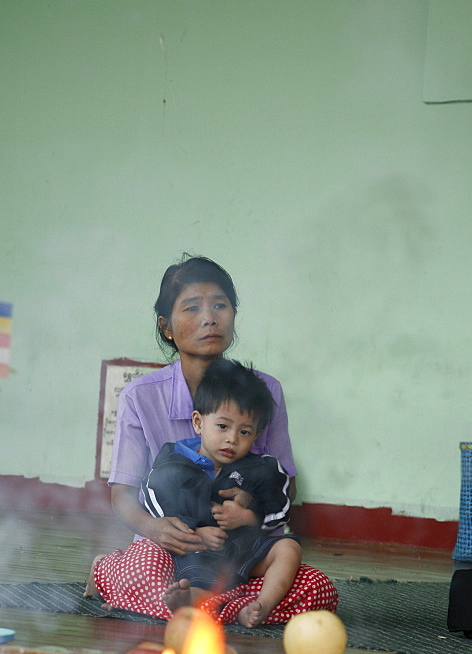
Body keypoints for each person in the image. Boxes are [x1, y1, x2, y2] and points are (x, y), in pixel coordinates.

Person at [87, 254, 337, 625]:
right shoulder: (140, 397)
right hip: (170, 551)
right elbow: (122, 496)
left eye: (220, 305)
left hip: (242, 552)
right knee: (143, 570)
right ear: (166, 326)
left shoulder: (265, 390)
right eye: (192, 307)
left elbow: (286, 485)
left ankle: (204, 607)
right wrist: (157, 529)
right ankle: (115, 574)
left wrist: (248, 508)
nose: (210, 318)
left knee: (315, 589)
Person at [141, 359, 302, 627]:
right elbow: (153, 500)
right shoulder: (175, 463)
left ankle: (260, 605)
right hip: (195, 556)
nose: (232, 439)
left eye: (245, 431)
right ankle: (190, 602)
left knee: (290, 548)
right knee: (177, 575)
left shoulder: (261, 468)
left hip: (245, 556)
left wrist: (249, 518)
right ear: (198, 422)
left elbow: (281, 507)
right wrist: (194, 533)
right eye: (223, 426)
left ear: (256, 435)